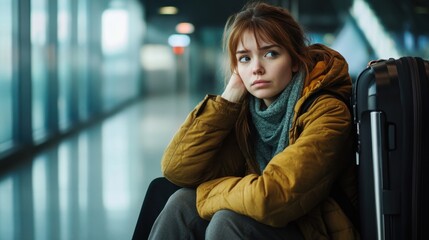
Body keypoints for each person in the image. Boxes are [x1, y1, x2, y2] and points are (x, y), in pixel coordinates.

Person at [148, 2, 359, 239]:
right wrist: (227, 99)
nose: (257, 68)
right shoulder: (244, 111)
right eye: (245, 58)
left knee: (228, 221)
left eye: (271, 54)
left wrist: (209, 192)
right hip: (269, 214)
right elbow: (176, 169)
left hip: (316, 227)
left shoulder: (328, 112)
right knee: (181, 204)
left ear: (296, 60)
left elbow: (273, 197)